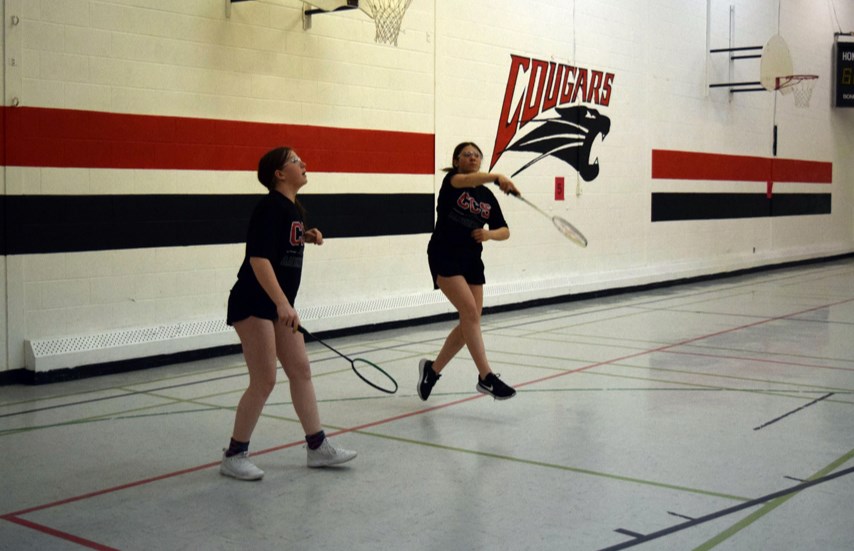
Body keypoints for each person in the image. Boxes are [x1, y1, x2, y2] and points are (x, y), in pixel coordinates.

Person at [220, 146, 357, 481]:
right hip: (254, 302)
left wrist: (305, 237)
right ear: (279, 174)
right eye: (296, 161)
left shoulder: (291, 209)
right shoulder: (270, 207)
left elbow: (278, 246)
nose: (304, 163)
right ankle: (234, 454)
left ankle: (317, 447)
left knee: (301, 369)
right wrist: (283, 303)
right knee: (265, 379)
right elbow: (259, 259)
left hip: (276, 304)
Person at [418, 141, 519, 402]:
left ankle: (432, 370)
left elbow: (505, 230)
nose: (472, 157)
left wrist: (489, 234)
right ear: (456, 161)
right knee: (470, 313)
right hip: (444, 254)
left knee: (470, 321)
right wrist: (497, 176)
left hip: (472, 260)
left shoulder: (487, 197)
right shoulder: (453, 181)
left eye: (476, 155)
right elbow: (465, 181)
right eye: (466, 154)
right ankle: (486, 377)